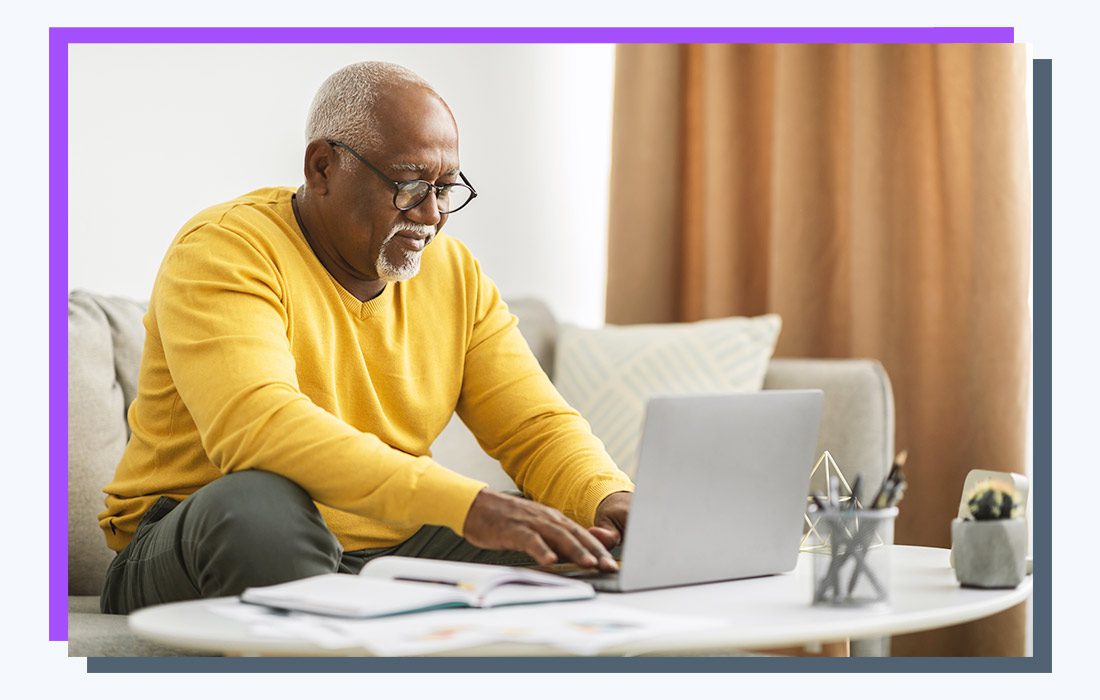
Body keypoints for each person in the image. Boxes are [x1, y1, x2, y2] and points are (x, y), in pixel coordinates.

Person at [98, 61, 635, 615]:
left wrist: (606, 497)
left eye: (446, 188)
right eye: (408, 185)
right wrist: (467, 504)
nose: (432, 215)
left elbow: (535, 427)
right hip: (199, 539)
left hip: (390, 548)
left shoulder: (455, 274)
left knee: (574, 550)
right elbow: (258, 427)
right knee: (258, 506)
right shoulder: (226, 249)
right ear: (322, 167)